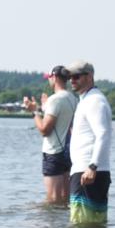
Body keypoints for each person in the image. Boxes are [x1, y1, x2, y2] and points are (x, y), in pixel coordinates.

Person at [66, 60, 112, 224]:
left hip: (88, 172)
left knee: (81, 226)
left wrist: (93, 166)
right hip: (85, 170)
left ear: (90, 76)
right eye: (70, 76)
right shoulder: (86, 100)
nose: (72, 80)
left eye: (77, 76)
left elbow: (103, 133)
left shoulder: (94, 101)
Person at [34, 65, 78, 204]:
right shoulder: (73, 98)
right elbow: (64, 122)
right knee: (65, 200)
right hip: (67, 152)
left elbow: (44, 130)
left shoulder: (55, 99)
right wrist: (44, 107)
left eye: (50, 78)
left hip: (53, 152)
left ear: (55, 78)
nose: (49, 81)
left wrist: (34, 111)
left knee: (52, 200)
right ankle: (64, 226)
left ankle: (51, 226)